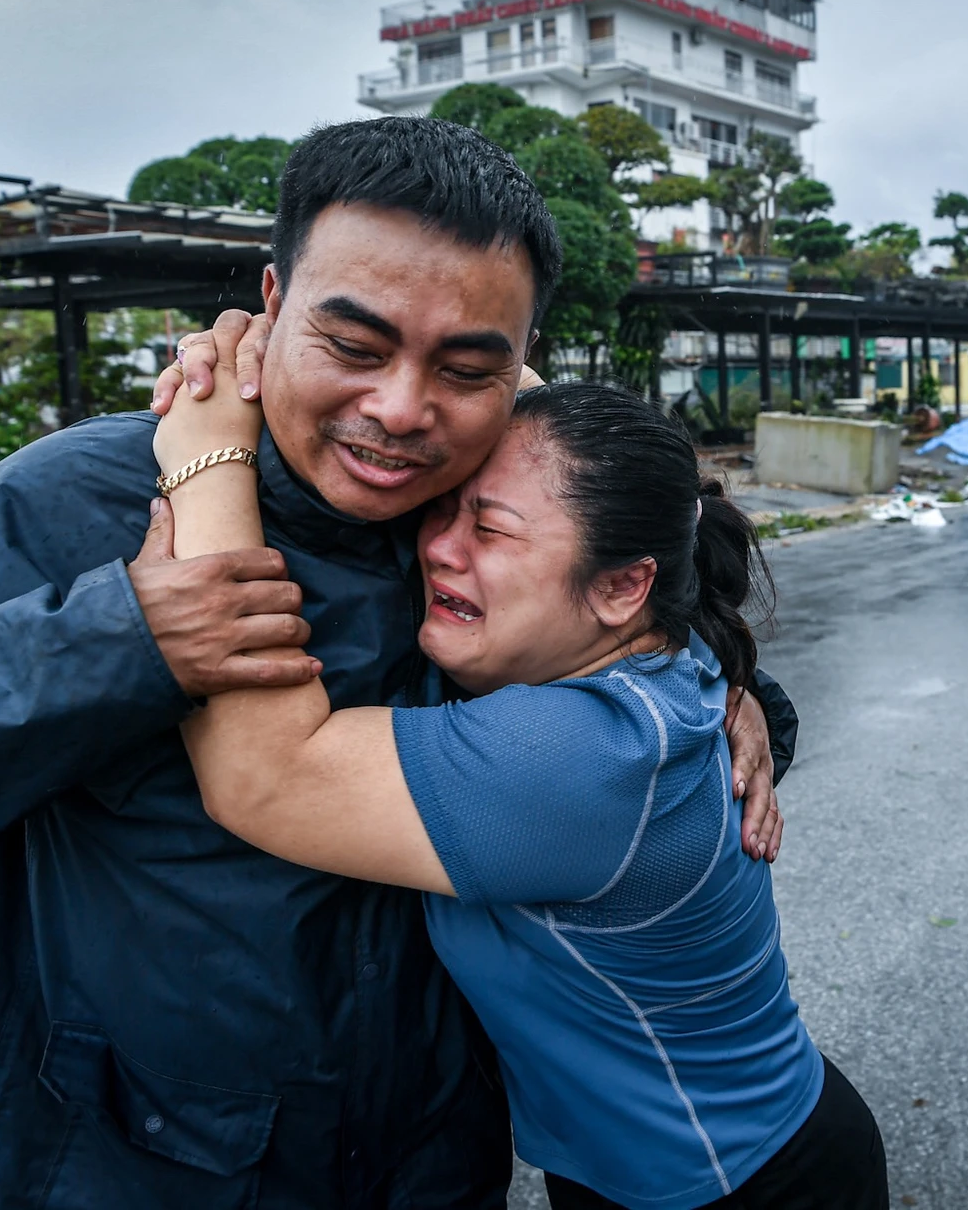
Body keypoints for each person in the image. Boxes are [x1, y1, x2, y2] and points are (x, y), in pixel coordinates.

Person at [0, 115, 791, 1208]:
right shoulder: (85, 498)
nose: (399, 410)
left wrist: (734, 692)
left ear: (516, 363)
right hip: (137, 1167)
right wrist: (115, 635)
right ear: (269, 307)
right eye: (352, 345)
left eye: (466, 366)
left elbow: (630, 635)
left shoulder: (471, 503)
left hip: (432, 1165)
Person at [149, 353, 887, 1209]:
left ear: (621, 585)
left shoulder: (584, 758)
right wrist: (283, 339)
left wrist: (206, 450)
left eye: (488, 529)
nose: (438, 549)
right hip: (662, 1165)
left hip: (744, 1185)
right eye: (441, 512)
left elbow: (263, 778)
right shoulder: (654, 655)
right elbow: (516, 385)